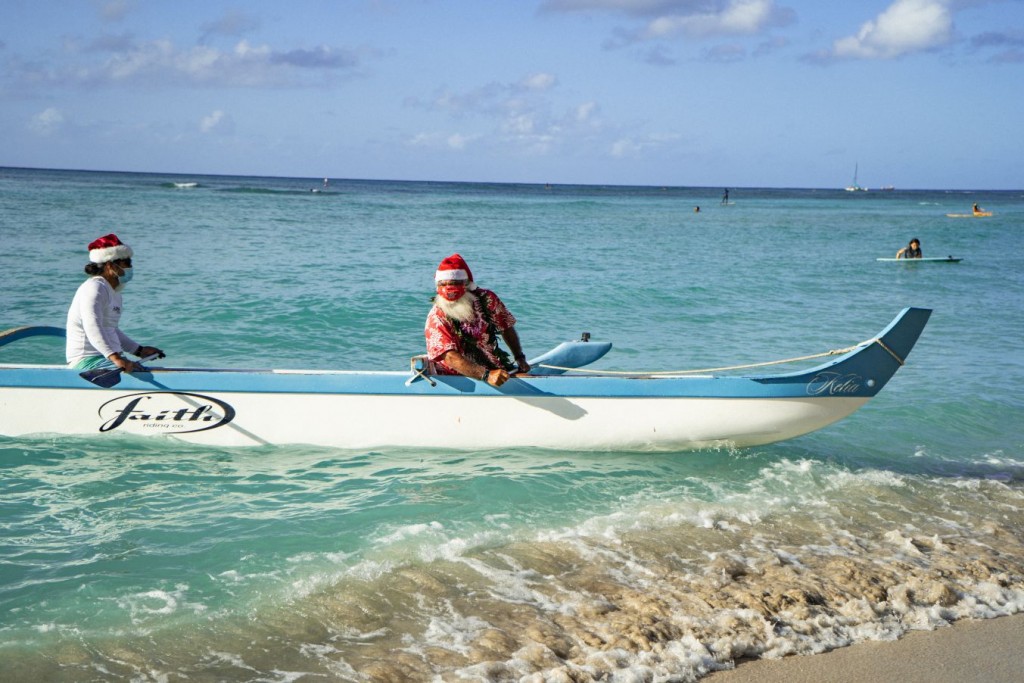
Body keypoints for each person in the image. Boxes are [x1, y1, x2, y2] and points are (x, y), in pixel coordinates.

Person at [424, 253, 529, 387]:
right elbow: (449, 356)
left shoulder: (486, 299)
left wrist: (519, 357)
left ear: (466, 284)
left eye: (454, 283)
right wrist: (486, 375)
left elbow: (506, 326)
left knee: (526, 378)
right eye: (443, 284)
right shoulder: (437, 316)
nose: (448, 289)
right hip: (455, 378)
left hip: (493, 366)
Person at [66, 233, 164, 372]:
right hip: (87, 360)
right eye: (127, 263)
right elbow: (92, 325)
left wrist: (139, 350)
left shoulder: (115, 292)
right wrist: (115, 358)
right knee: (136, 372)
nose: (131, 267)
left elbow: (110, 328)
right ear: (110, 266)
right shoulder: (94, 288)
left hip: (107, 357)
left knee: (141, 369)